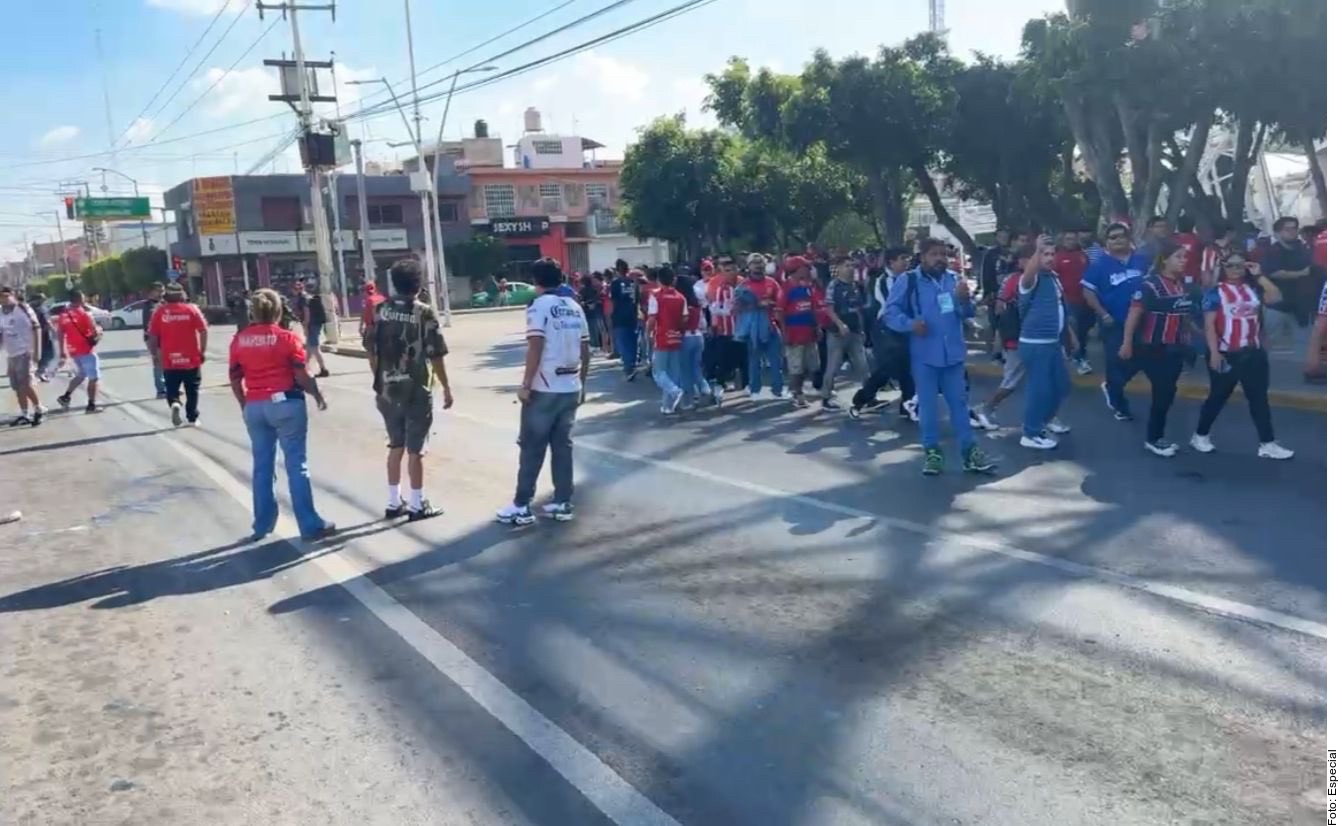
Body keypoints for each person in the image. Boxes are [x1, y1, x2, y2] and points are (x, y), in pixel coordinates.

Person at [228, 289, 333, 541]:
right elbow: (301, 374)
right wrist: (317, 395)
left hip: (255, 405)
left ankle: (262, 524)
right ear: (278, 312)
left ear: (253, 312)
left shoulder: (240, 340)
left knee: (262, 466)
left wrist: (244, 403)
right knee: (296, 465)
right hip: (286, 403)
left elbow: (234, 377)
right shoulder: (287, 338)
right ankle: (309, 524)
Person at [884, 238, 996, 476]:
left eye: (943, 254)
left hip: (953, 356)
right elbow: (890, 312)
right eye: (934, 254)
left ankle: (970, 453)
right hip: (924, 356)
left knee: (960, 406)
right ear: (923, 256)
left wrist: (964, 300)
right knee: (928, 408)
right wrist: (910, 324)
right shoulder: (909, 280)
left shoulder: (953, 279)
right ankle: (932, 453)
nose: (940, 259)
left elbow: (965, 313)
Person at [496, 258, 590, 526]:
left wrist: (526, 385)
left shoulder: (539, 306)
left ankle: (521, 505)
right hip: (570, 386)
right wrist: (582, 383)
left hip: (544, 387)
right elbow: (585, 350)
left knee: (532, 448)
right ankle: (562, 502)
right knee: (563, 446)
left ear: (536, 281)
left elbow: (535, 346)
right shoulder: (574, 306)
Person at [364, 257, 453, 522]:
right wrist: (446, 387)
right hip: (416, 389)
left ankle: (393, 502)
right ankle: (416, 504)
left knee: (395, 444)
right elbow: (436, 354)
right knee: (416, 449)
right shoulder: (423, 312)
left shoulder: (379, 311)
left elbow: (371, 351)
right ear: (417, 283)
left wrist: (380, 380)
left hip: (387, 390)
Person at [1189, 253, 1293, 459]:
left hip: (1253, 353)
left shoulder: (1252, 289)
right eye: (1230, 265)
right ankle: (1200, 435)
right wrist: (1214, 353)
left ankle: (1267, 443)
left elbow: (1276, 296)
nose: (1235, 270)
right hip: (1226, 354)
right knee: (1218, 396)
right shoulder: (1215, 293)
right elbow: (1209, 326)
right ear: (1223, 268)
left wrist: (1259, 275)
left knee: (1259, 399)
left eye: (1239, 265)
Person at [1118, 247, 1199, 457]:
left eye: (1185, 257)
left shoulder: (1181, 285)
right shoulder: (1150, 285)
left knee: (1168, 392)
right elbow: (1134, 313)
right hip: (1154, 347)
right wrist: (1126, 342)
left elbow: (1183, 313)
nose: (1183, 260)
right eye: (1178, 257)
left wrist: (1192, 334)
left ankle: (1156, 436)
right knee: (1162, 393)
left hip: (1176, 347)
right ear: (1164, 260)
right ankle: (1154, 438)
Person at [1082, 222, 1150, 421]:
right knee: (1116, 363)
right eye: (1113, 237)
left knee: (1145, 358)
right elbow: (1088, 292)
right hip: (1114, 323)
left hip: (1142, 321)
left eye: (1122, 236)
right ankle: (1120, 405)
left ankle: (1112, 385)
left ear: (1129, 239)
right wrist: (1103, 314)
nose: (1118, 240)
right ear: (1106, 243)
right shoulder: (1098, 265)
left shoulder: (1142, 261)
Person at [1014, 239, 1073, 450]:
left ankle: (1041, 422)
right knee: (1038, 390)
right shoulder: (1030, 279)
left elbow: (1060, 309)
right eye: (1044, 254)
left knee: (1062, 386)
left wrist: (1069, 335)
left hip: (1052, 343)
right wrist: (1037, 249)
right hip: (1035, 343)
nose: (1049, 258)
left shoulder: (1053, 278)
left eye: (1051, 254)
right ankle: (1030, 433)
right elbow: (1030, 273)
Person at [850, 247, 913, 420]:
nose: (906, 262)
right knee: (889, 368)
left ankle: (907, 405)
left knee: (907, 368)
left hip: (904, 328)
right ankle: (862, 398)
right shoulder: (884, 281)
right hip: (887, 329)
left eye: (907, 258)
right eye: (902, 258)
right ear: (891, 262)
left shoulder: (909, 278)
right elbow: (891, 306)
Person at [146, 282, 208, 427]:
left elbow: (152, 336)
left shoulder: (159, 312)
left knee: (171, 387)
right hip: (191, 358)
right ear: (182, 294)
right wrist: (202, 351)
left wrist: (154, 354)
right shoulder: (191, 309)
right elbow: (203, 330)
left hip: (169, 359)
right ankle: (192, 417)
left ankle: (175, 402)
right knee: (192, 389)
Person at [819, 252, 869, 411]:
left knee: (863, 365)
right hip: (836, 333)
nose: (850, 268)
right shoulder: (834, 285)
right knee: (833, 366)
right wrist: (840, 324)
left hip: (855, 332)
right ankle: (826, 397)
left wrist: (862, 329)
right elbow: (829, 308)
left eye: (852, 265)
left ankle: (869, 395)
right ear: (839, 268)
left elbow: (859, 310)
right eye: (846, 266)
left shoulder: (856, 286)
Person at [735, 252, 784, 400]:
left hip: (771, 326)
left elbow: (780, 301)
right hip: (752, 329)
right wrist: (755, 305)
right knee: (754, 360)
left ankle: (777, 390)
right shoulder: (743, 286)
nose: (758, 266)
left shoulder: (772, 283)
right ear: (749, 266)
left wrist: (772, 305)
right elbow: (737, 307)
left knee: (776, 360)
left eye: (761, 263)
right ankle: (755, 390)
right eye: (755, 263)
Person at [780, 256, 824, 408]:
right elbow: (780, 313)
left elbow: (813, 308)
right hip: (794, 334)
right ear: (795, 270)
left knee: (812, 365)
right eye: (804, 267)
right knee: (796, 367)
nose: (808, 270)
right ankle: (797, 394)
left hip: (809, 333)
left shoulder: (808, 286)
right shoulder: (785, 288)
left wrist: (817, 327)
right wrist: (784, 333)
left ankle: (802, 389)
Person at [1261, 215, 1320, 327]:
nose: (1292, 232)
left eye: (1294, 228)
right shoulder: (1272, 251)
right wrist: (1302, 273)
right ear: (1277, 233)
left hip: (1301, 307)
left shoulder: (1303, 248)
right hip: (1278, 308)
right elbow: (1274, 273)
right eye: (1287, 229)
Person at [56, 289, 104, 414]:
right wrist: (100, 331)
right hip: (86, 349)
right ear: (80, 299)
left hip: (73, 350)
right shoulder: (84, 314)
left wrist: (62, 351)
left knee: (82, 374)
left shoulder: (64, 314)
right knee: (94, 378)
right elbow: (94, 331)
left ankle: (66, 396)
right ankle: (91, 405)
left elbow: (60, 334)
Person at [0, 286, 43, 426]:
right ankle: (25, 414)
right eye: (1, 297)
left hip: (25, 351)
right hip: (11, 354)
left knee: (25, 384)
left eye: (6, 296)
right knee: (17, 386)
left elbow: (36, 328)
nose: (4, 299)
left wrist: (37, 351)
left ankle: (38, 408)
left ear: (12, 295)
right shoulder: (1, 312)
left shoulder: (23, 309)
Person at [646, 266, 686, 414]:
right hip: (676, 336)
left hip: (661, 336)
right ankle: (668, 406)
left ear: (658, 280)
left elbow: (652, 318)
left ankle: (675, 392)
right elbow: (684, 318)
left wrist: (648, 332)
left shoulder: (655, 296)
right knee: (673, 372)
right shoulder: (681, 297)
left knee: (658, 372)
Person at [704, 255, 743, 400]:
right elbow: (711, 306)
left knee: (740, 357)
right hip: (722, 327)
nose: (729, 271)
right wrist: (713, 324)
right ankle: (720, 383)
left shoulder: (742, 282)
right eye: (724, 267)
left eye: (731, 267)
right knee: (722, 357)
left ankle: (743, 383)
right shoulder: (714, 283)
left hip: (741, 327)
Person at [1054, 229, 1093, 374]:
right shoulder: (1057, 257)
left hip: (1085, 299)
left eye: (1073, 239)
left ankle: (1081, 354)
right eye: (1068, 239)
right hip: (1067, 301)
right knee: (1073, 330)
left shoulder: (1083, 256)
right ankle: (1078, 358)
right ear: (1063, 241)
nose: (1071, 242)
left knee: (1084, 330)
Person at [675, 273, 711, 407]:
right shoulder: (696, 305)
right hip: (698, 336)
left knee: (684, 369)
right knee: (696, 366)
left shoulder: (681, 304)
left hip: (685, 338)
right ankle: (705, 388)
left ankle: (689, 398)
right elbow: (703, 323)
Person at [608, 259, 640, 380]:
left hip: (620, 317)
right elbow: (637, 299)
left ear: (617, 270)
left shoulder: (615, 283)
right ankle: (633, 364)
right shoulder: (633, 282)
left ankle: (628, 369)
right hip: (633, 315)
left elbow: (613, 301)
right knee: (632, 342)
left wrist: (611, 316)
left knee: (623, 343)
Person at [296, 281, 331, 378]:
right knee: (309, 347)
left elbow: (306, 312)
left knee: (315, 348)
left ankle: (324, 369)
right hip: (315, 323)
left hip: (312, 324)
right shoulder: (308, 296)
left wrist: (305, 326)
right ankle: (305, 368)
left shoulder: (303, 298)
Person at [141, 282, 166, 398]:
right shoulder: (149, 305)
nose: (161, 293)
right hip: (153, 338)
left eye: (162, 291)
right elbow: (149, 324)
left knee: (167, 363)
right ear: (151, 292)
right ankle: (161, 390)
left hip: (165, 337)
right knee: (158, 362)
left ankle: (169, 386)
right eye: (158, 291)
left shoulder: (162, 303)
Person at [28, 294, 54, 382]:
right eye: (42, 299)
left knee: (39, 354)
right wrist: (54, 331)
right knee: (49, 354)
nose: (43, 301)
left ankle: (38, 371)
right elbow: (47, 322)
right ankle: (40, 372)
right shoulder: (41, 309)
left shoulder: (31, 309)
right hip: (44, 335)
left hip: (35, 335)